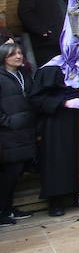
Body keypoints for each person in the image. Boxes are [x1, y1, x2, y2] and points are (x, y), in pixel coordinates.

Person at [31, 0, 79, 216]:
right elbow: (37, 99)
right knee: (59, 157)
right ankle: (56, 200)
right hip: (59, 120)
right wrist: (64, 102)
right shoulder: (50, 68)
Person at [0, 40, 38, 224]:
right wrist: (7, 121)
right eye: (13, 54)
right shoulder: (0, 77)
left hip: (26, 131)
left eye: (20, 53)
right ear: (4, 58)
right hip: (8, 133)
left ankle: (8, 209)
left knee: (19, 171)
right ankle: (2, 211)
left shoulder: (24, 75)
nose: (18, 56)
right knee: (10, 172)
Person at [18, 0, 66, 67]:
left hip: (63, 41)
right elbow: (26, 13)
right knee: (47, 70)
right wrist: (41, 30)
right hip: (45, 43)